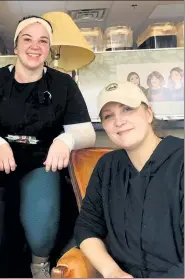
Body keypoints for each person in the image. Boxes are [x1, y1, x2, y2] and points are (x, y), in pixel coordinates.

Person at [0, 15, 96, 278]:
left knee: (41, 228)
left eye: (43, 41)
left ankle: (40, 265)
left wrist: (64, 140)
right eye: (27, 39)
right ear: (15, 46)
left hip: (41, 166)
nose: (35, 46)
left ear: (49, 49)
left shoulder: (63, 85)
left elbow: (87, 133)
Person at [75, 81, 183, 278]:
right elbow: (87, 227)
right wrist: (112, 272)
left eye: (127, 109)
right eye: (108, 116)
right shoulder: (106, 167)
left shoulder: (181, 160)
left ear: (149, 113)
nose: (119, 121)